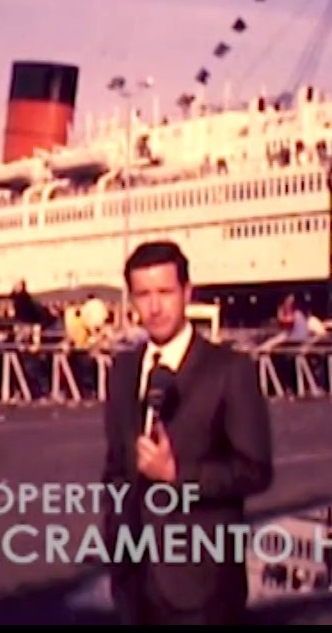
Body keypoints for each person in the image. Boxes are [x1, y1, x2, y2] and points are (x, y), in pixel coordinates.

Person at [101, 240, 273, 625]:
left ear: (187, 293)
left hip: (201, 586)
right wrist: (115, 537)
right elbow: (115, 465)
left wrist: (178, 476)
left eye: (165, 292)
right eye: (144, 294)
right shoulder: (123, 370)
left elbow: (255, 470)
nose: (155, 306)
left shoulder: (230, 370)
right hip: (132, 583)